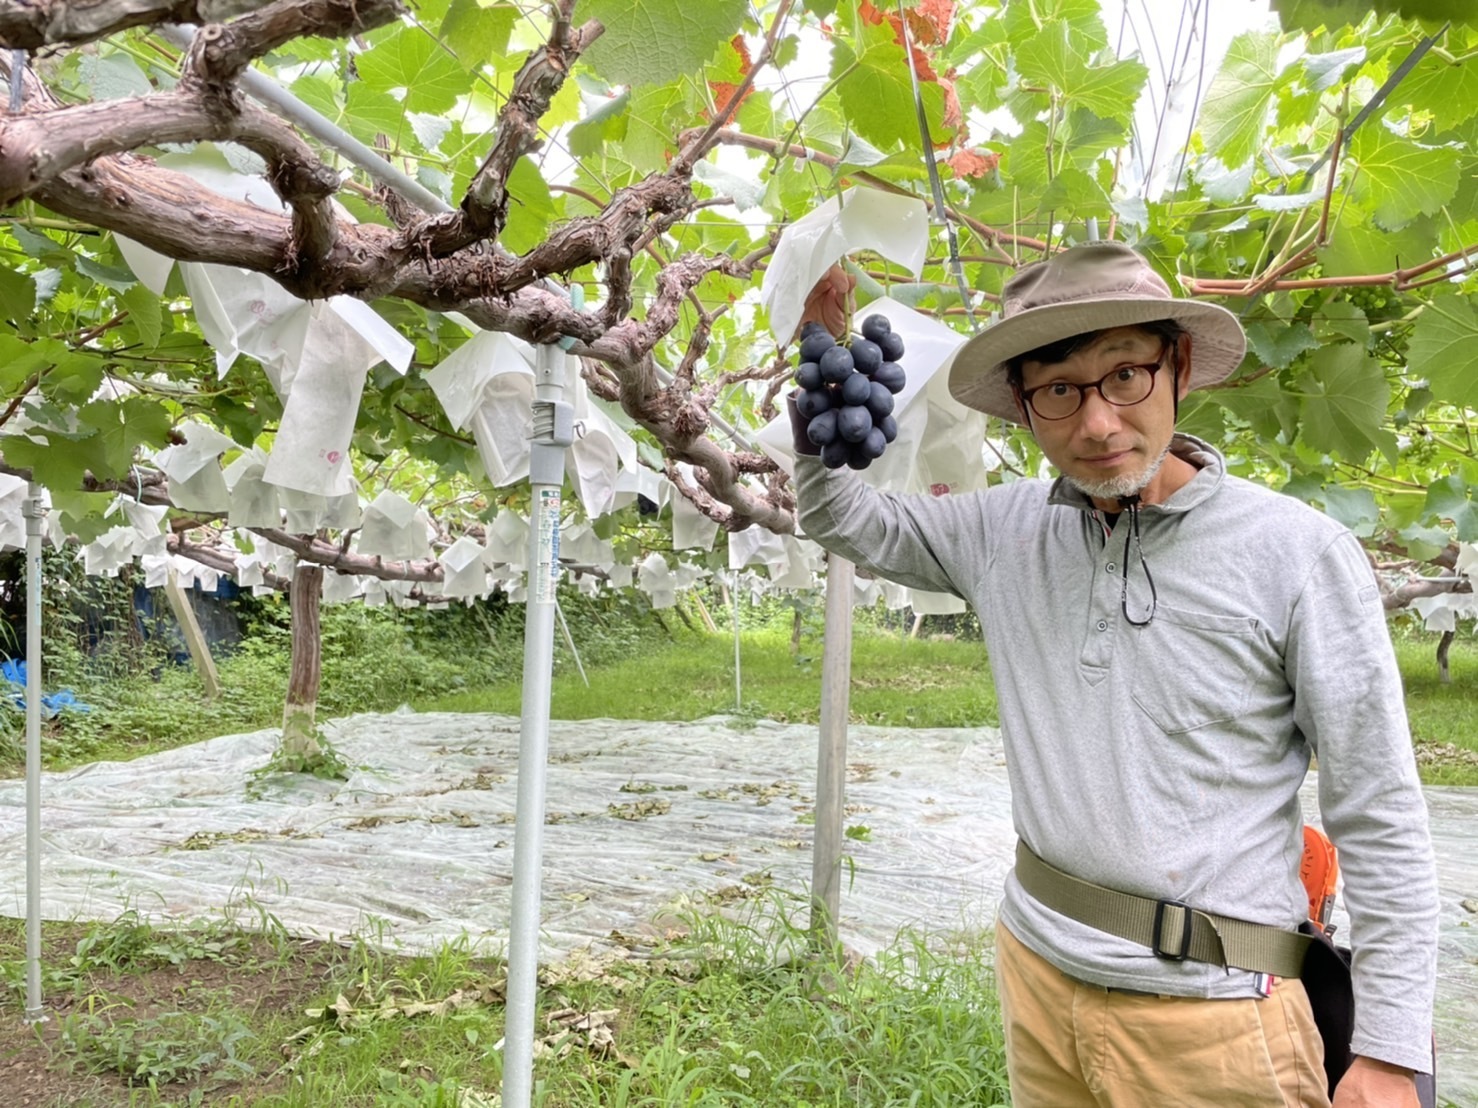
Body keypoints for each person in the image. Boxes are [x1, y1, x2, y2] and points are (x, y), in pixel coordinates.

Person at [789, 242, 1438, 1108]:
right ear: (1023, 406)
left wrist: (1390, 1049)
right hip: (1038, 976)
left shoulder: (1298, 555)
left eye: (1125, 374)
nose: (1096, 423)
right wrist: (819, 390)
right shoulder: (1001, 533)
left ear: (1178, 368)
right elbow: (840, 515)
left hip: (1215, 1018)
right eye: (1058, 390)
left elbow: (1379, 809)